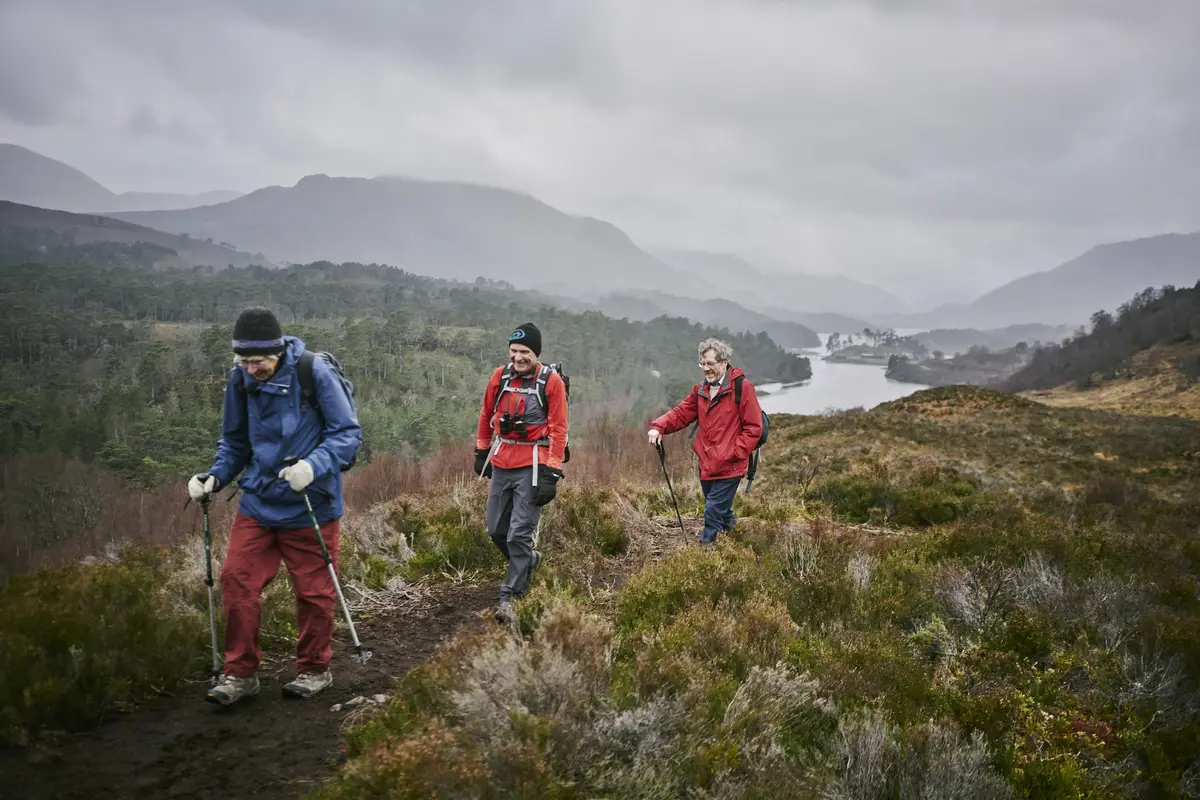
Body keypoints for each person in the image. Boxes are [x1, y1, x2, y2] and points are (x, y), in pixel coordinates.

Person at [187, 307, 362, 706]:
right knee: (236, 580)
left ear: (279, 350)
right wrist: (214, 477)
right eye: (245, 361)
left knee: (314, 593)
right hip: (259, 502)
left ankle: (315, 670)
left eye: (259, 360)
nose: (253, 369)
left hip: (311, 503)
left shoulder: (312, 372)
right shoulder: (239, 380)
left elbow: (348, 434)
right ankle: (240, 673)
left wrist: (311, 466)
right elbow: (234, 443)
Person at [474, 322, 567, 624]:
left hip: (534, 464)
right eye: (514, 351)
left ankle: (510, 595)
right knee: (495, 529)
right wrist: (481, 450)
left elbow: (559, 428)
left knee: (518, 534)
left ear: (535, 353)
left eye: (524, 352)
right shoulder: (499, 377)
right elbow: (486, 414)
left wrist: (552, 473)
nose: (518, 357)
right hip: (502, 461)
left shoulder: (551, 382)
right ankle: (529, 561)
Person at [647, 338, 762, 545]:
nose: (706, 368)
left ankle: (706, 550)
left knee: (712, 510)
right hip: (707, 463)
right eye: (703, 364)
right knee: (720, 508)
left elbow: (754, 428)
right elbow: (681, 414)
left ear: (724, 362)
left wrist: (736, 453)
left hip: (731, 465)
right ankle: (735, 539)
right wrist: (658, 426)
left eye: (710, 363)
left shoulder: (742, 388)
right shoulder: (700, 390)